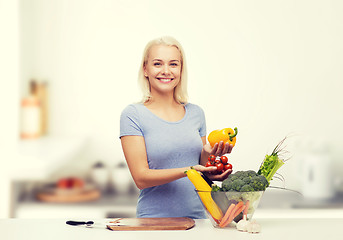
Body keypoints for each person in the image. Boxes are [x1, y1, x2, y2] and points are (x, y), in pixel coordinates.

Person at [119, 36, 233, 219]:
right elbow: (141, 178)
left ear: (181, 70)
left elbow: (200, 172)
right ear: (145, 69)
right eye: (157, 64)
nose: (166, 71)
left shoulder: (196, 113)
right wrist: (188, 170)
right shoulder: (133, 115)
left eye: (173, 64)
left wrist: (210, 157)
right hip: (154, 222)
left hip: (198, 219)